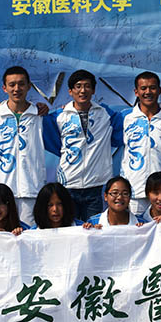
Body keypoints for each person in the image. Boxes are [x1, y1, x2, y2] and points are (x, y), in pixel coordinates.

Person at [44, 69, 116, 221]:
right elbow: (53, 143)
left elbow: (130, 120)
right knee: (70, 228)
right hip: (68, 185)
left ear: (93, 90)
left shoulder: (106, 114)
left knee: (94, 229)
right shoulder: (59, 116)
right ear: (70, 91)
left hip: (96, 185)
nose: (83, 90)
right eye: (78, 86)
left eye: (87, 86)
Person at [0, 66, 46, 227]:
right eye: (12, 85)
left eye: (21, 84)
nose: (17, 89)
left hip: (31, 191)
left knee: (29, 236)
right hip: (1, 192)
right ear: (4, 88)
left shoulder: (40, 116)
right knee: (2, 236)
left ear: (29, 86)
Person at [111, 71, 161, 215]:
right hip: (135, 190)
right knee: (136, 228)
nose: (148, 92)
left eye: (152, 88)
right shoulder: (125, 117)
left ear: (159, 90)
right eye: (143, 88)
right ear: (136, 92)